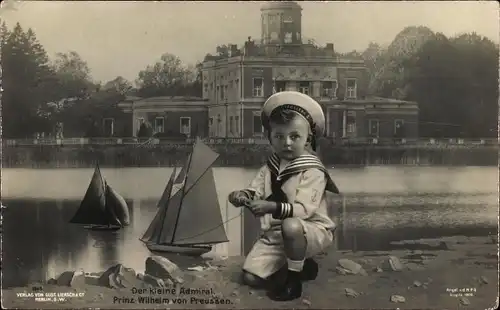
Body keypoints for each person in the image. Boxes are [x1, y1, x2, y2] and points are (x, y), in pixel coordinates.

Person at [228, 91, 340, 301]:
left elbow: (303, 210)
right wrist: (242, 195)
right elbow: (256, 190)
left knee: (291, 225)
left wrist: (270, 208)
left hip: (311, 230)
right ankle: (300, 265)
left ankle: (293, 281)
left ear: (308, 139)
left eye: (294, 136)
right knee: (250, 278)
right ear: (269, 138)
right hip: (276, 234)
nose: (287, 143)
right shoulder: (269, 168)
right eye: (279, 136)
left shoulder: (313, 170)